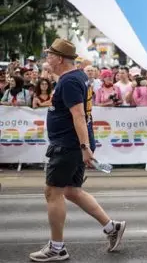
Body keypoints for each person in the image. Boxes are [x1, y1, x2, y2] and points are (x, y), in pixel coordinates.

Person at [29, 38, 126, 262]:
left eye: (50, 55)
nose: (47, 59)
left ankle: (57, 248)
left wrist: (84, 147)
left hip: (68, 145)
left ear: (60, 58)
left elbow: (79, 116)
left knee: (53, 192)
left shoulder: (70, 81)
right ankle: (112, 227)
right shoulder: (77, 76)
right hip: (72, 144)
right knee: (72, 191)